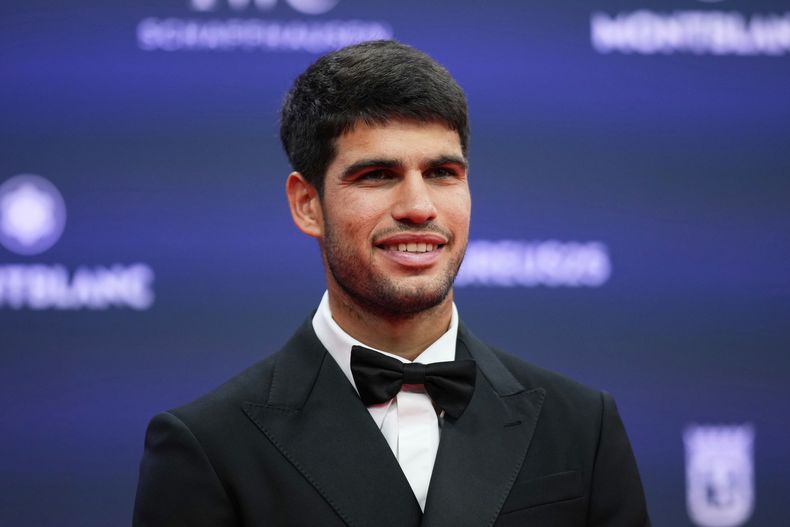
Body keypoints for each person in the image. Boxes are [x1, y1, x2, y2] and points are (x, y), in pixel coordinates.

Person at [133, 40, 650, 527]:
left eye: (443, 172)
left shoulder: (582, 427)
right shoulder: (209, 445)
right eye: (377, 175)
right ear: (306, 203)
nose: (419, 207)